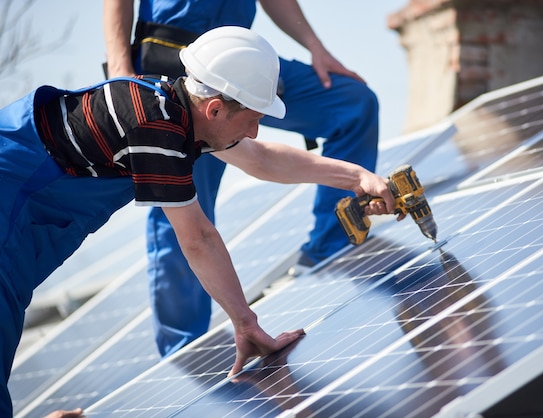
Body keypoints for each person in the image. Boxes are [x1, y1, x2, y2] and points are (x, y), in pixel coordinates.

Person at [0, 26, 394, 416]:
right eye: (253, 119)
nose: (254, 131)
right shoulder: (154, 127)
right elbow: (197, 239)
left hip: (21, 224)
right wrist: (245, 322)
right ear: (216, 108)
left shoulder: (173, 108)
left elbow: (262, 159)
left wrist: (356, 177)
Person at [103, 0, 380, 358]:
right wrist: (120, 68)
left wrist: (316, 47)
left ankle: (329, 251)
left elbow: (261, 158)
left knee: (353, 102)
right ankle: (186, 354)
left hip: (245, 65)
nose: (254, 133)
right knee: (185, 215)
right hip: (172, 63)